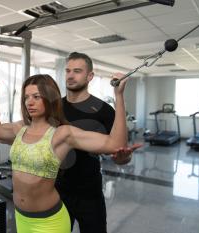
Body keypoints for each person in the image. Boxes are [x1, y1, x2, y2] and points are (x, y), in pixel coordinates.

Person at [0, 73, 133, 233]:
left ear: (50, 99)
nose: (30, 102)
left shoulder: (62, 134)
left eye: (36, 96)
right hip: (21, 217)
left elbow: (116, 144)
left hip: (49, 223)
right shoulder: (19, 129)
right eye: (26, 97)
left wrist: (119, 96)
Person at [55, 52, 140, 233]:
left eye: (77, 71)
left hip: (90, 192)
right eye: (68, 70)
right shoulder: (55, 108)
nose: (70, 75)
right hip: (57, 191)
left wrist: (122, 158)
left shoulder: (104, 111)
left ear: (90, 76)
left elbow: (120, 156)